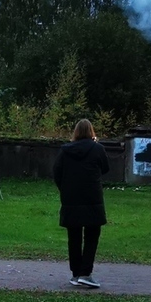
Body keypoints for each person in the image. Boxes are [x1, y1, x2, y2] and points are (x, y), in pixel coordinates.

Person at [52, 119, 109, 289]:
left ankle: (76, 273)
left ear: (75, 132)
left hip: (71, 199)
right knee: (92, 235)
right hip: (92, 198)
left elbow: (56, 171)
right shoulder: (98, 149)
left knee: (74, 237)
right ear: (91, 131)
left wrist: (65, 188)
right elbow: (105, 168)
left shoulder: (65, 151)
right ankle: (86, 273)